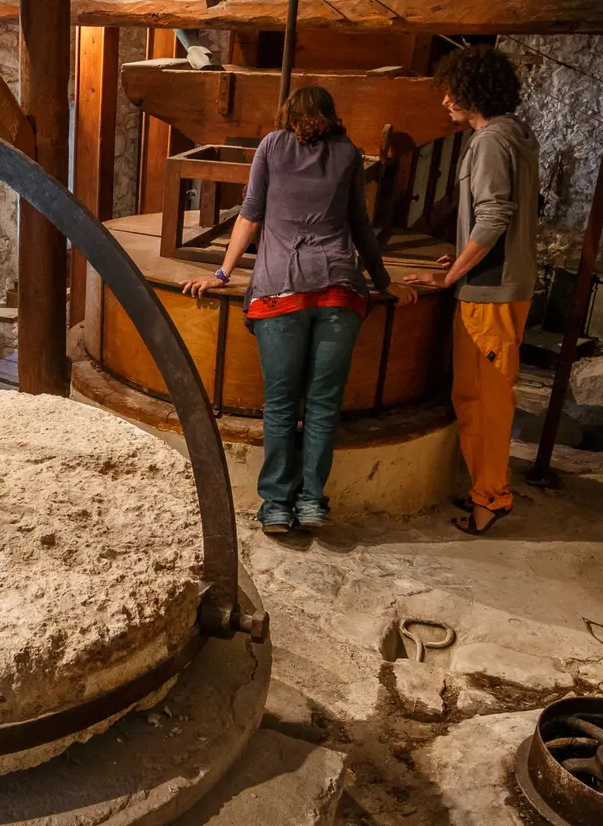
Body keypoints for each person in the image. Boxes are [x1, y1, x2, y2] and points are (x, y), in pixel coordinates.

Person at [185, 87, 417, 535]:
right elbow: (360, 226)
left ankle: (275, 505)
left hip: (280, 294)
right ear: (333, 116)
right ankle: (311, 502)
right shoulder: (349, 152)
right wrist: (384, 282)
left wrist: (221, 273)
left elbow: (250, 214)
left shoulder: (272, 146)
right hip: (339, 295)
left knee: (280, 406)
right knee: (323, 406)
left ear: (287, 115)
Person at [405, 46, 539, 535]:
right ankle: (491, 490)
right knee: (488, 398)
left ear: (473, 91)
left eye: (451, 91)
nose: (445, 101)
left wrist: (450, 275)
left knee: (481, 402)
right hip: (504, 284)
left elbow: (495, 215)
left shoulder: (488, 142)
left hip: (490, 292)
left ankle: (490, 498)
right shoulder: (515, 136)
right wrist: (461, 253)